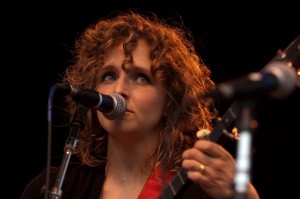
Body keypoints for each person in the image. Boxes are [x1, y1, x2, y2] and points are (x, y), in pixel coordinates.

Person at [20, 10, 260, 199]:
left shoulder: (199, 190)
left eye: (140, 78)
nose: (119, 90)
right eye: (109, 76)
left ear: (171, 100)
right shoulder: (54, 187)